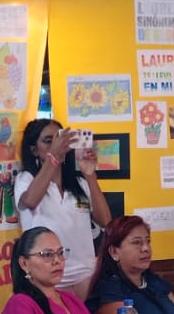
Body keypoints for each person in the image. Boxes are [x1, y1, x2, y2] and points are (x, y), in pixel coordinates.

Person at [14, 119, 112, 298]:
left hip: (86, 274)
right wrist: (53, 157)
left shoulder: (79, 183)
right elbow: (30, 201)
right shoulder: (26, 179)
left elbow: (105, 220)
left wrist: (90, 175)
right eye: (48, 141)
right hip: (48, 277)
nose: (56, 145)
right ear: (34, 150)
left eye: (59, 139)